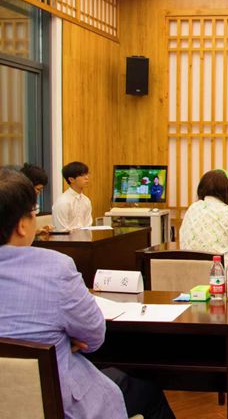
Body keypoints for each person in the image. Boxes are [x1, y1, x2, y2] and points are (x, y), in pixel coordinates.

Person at [0, 169, 175, 419]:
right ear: (21, 224)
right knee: (147, 391)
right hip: (62, 404)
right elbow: (94, 335)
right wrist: (66, 338)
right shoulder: (55, 268)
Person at [180, 169, 228, 253]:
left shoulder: (192, 208)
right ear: (227, 191)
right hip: (220, 261)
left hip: (188, 261)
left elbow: (182, 238)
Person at [52, 161, 92, 231]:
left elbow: (88, 226)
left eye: (87, 174)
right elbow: (61, 230)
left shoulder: (86, 200)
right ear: (71, 179)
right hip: (67, 237)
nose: (87, 177)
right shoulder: (62, 202)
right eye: (82, 175)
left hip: (84, 237)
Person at [20, 163, 53, 235]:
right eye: (38, 189)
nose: (38, 193)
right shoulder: (15, 205)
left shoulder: (29, 204)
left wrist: (37, 231)